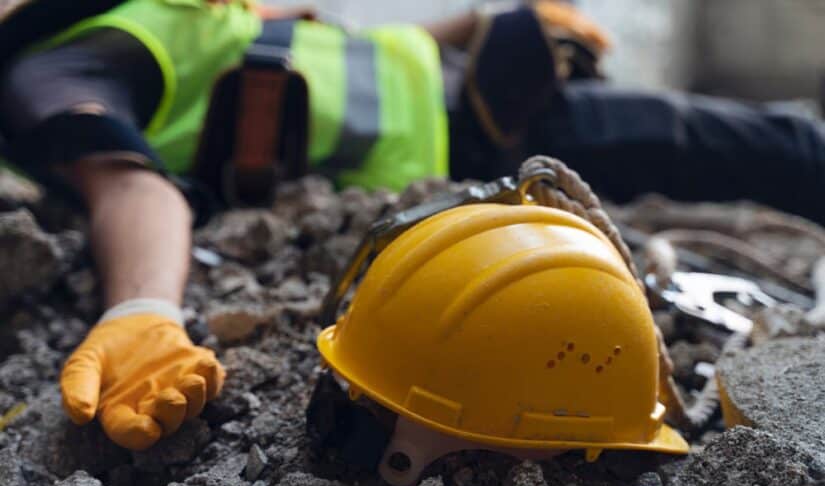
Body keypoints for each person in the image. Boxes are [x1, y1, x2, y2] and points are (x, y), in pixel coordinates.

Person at [0, 0, 823, 451]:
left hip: (470, 87)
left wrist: (480, 27)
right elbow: (130, 191)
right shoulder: (53, 71)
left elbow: (306, 54)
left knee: (760, 144)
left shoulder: (130, 17)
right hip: (473, 133)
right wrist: (138, 307)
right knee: (774, 145)